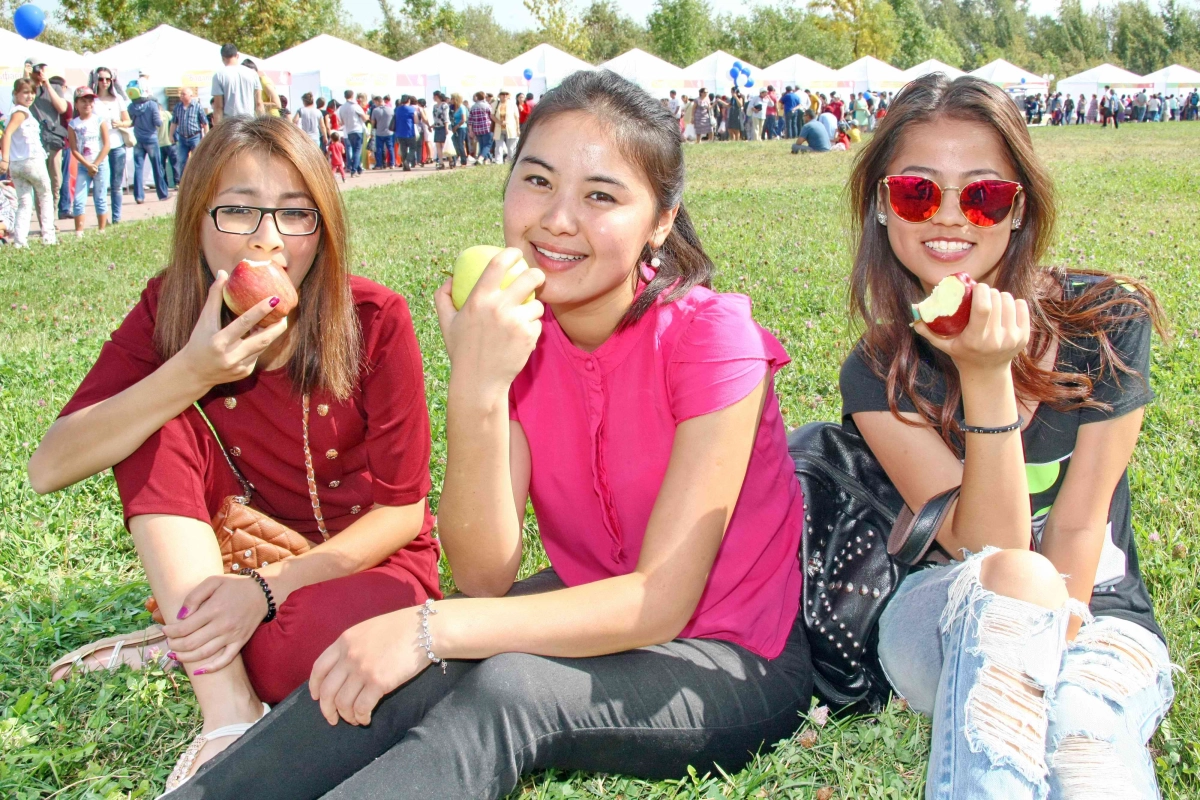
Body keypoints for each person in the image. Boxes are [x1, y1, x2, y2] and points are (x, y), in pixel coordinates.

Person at [164, 67, 814, 800]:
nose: (557, 220)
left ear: (661, 221)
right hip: (586, 602)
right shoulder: (514, 334)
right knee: (419, 654)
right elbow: (483, 577)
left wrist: (428, 628)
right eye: (536, 181)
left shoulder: (712, 338)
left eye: (601, 196)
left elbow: (656, 602)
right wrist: (478, 384)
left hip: (730, 655)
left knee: (505, 684)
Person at [31, 115, 441, 791]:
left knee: (316, 654)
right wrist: (191, 371)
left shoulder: (375, 320)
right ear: (196, 217)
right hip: (247, 554)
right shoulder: (171, 307)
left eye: (295, 213)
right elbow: (49, 467)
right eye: (238, 210)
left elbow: (402, 514)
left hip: (363, 563)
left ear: (325, 225)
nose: (267, 238)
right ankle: (225, 706)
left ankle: (188, 634)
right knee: (151, 415)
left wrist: (264, 592)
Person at [841, 73, 1173, 799]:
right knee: (1013, 598)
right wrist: (986, 377)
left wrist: (1060, 674)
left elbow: (1080, 526)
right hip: (943, 613)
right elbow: (992, 555)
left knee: (1083, 729)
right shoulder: (877, 372)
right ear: (882, 208)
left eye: (983, 194)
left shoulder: (1106, 321)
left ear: (1018, 210)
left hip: (1101, 615)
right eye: (918, 193)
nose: (951, 218)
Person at [0, 78, 59, 246]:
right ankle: (49, 237)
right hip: (31, 160)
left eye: (32, 92)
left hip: (17, 164)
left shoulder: (14, 111)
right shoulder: (22, 112)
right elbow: (7, 133)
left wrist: (8, 160)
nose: (30, 96)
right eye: (25, 92)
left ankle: (20, 241)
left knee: (24, 203)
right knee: (45, 195)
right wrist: (4, 158)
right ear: (15, 94)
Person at [27, 64, 71, 223]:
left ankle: (51, 217)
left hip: (53, 140)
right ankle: (45, 222)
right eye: (36, 70)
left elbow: (62, 108)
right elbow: (20, 103)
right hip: (34, 141)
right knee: (40, 183)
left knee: (55, 182)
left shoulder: (54, 87)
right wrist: (27, 78)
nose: (39, 73)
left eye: (42, 69)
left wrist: (46, 83)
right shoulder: (27, 88)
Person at [65, 86, 111, 236]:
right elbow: (74, 149)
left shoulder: (99, 121)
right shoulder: (73, 124)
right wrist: (87, 165)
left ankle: (101, 229)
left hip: (100, 164)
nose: (87, 104)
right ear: (76, 104)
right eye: (83, 101)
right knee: (78, 199)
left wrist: (96, 164)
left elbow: (106, 145)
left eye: (90, 101)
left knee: (100, 197)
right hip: (83, 166)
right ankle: (79, 232)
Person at [92, 67, 132, 224]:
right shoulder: (92, 100)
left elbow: (128, 121)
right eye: (101, 79)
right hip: (98, 146)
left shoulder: (118, 99)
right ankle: (102, 218)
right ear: (96, 80)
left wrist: (120, 123)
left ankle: (116, 218)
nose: (104, 82)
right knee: (100, 185)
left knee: (116, 184)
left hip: (116, 144)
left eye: (108, 79)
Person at [127, 87, 169, 203]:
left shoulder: (131, 107)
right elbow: (158, 123)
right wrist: (160, 116)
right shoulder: (152, 105)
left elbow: (130, 123)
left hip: (138, 139)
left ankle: (139, 197)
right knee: (157, 167)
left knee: (138, 168)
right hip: (151, 139)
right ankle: (162, 194)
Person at [211, 45, 263, 125]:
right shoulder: (253, 74)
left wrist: (217, 130)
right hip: (250, 123)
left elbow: (218, 107)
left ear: (222, 58)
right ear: (237, 55)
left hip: (229, 125)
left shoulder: (218, 76)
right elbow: (259, 103)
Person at [171, 88, 208, 176]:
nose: (182, 96)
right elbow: (174, 122)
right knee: (182, 160)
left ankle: (198, 179)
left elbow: (205, 123)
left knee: (197, 160)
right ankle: (183, 182)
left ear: (190, 96)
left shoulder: (197, 106)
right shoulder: (178, 107)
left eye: (184, 94)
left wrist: (206, 136)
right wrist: (171, 135)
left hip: (195, 137)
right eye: (181, 94)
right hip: (182, 137)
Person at [337, 90, 367, 177]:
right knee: (357, 151)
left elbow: (341, 122)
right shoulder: (355, 106)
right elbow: (364, 118)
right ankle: (354, 170)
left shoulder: (341, 108)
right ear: (352, 95)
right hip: (357, 129)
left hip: (349, 131)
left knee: (354, 150)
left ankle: (358, 169)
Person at [393, 96, 418, 171]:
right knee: (413, 148)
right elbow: (416, 121)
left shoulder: (397, 109)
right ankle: (407, 161)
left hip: (399, 132)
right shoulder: (412, 109)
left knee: (403, 149)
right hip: (409, 132)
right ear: (409, 100)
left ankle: (405, 165)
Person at [469, 91, 494, 165]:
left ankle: (485, 161)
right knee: (487, 145)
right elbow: (492, 116)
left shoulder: (473, 107)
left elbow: (470, 120)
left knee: (482, 145)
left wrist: (470, 130)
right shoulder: (487, 106)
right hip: (487, 128)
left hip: (477, 129)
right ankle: (481, 158)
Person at [369, 96, 393, 170]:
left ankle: (379, 165)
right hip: (389, 132)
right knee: (390, 148)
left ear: (377, 102)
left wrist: (372, 129)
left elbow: (373, 122)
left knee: (379, 149)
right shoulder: (390, 109)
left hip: (379, 132)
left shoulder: (375, 110)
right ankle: (392, 164)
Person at [431, 91, 450, 169]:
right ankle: (441, 162)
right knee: (438, 145)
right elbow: (435, 118)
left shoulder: (444, 105)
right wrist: (433, 125)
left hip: (443, 126)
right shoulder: (435, 106)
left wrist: (446, 128)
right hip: (437, 127)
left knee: (444, 145)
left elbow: (446, 117)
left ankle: (450, 159)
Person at [450, 93, 468, 167]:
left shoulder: (462, 107)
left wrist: (457, 126)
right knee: (454, 144)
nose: (451, 100)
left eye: (452, 99)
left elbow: (464, 119)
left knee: (460, 144)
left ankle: (463, 161)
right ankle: (454, 161)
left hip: (461, 127)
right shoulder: (452, 107)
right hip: (453, 126)